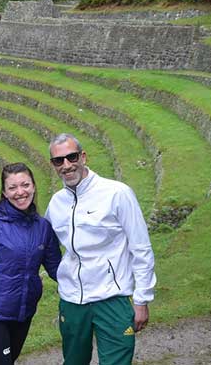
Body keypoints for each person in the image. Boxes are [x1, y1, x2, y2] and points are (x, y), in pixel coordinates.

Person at [44, 133, 157, 365]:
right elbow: (46, 246)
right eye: (58, 160)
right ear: (53, 165)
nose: (66, 165)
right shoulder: (56, 203)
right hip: (72, 301)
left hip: (111, 299)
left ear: (83, 157)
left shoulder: (117, 193)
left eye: (71, 157)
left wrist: (142, 299)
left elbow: (141, 248)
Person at [0, 163, 62, 365]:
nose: (20, 192)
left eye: (25, 185)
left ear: (34, 186)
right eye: (12, 187)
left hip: (24, 311)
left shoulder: (42, 227)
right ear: (4, 192)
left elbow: (57, 269)